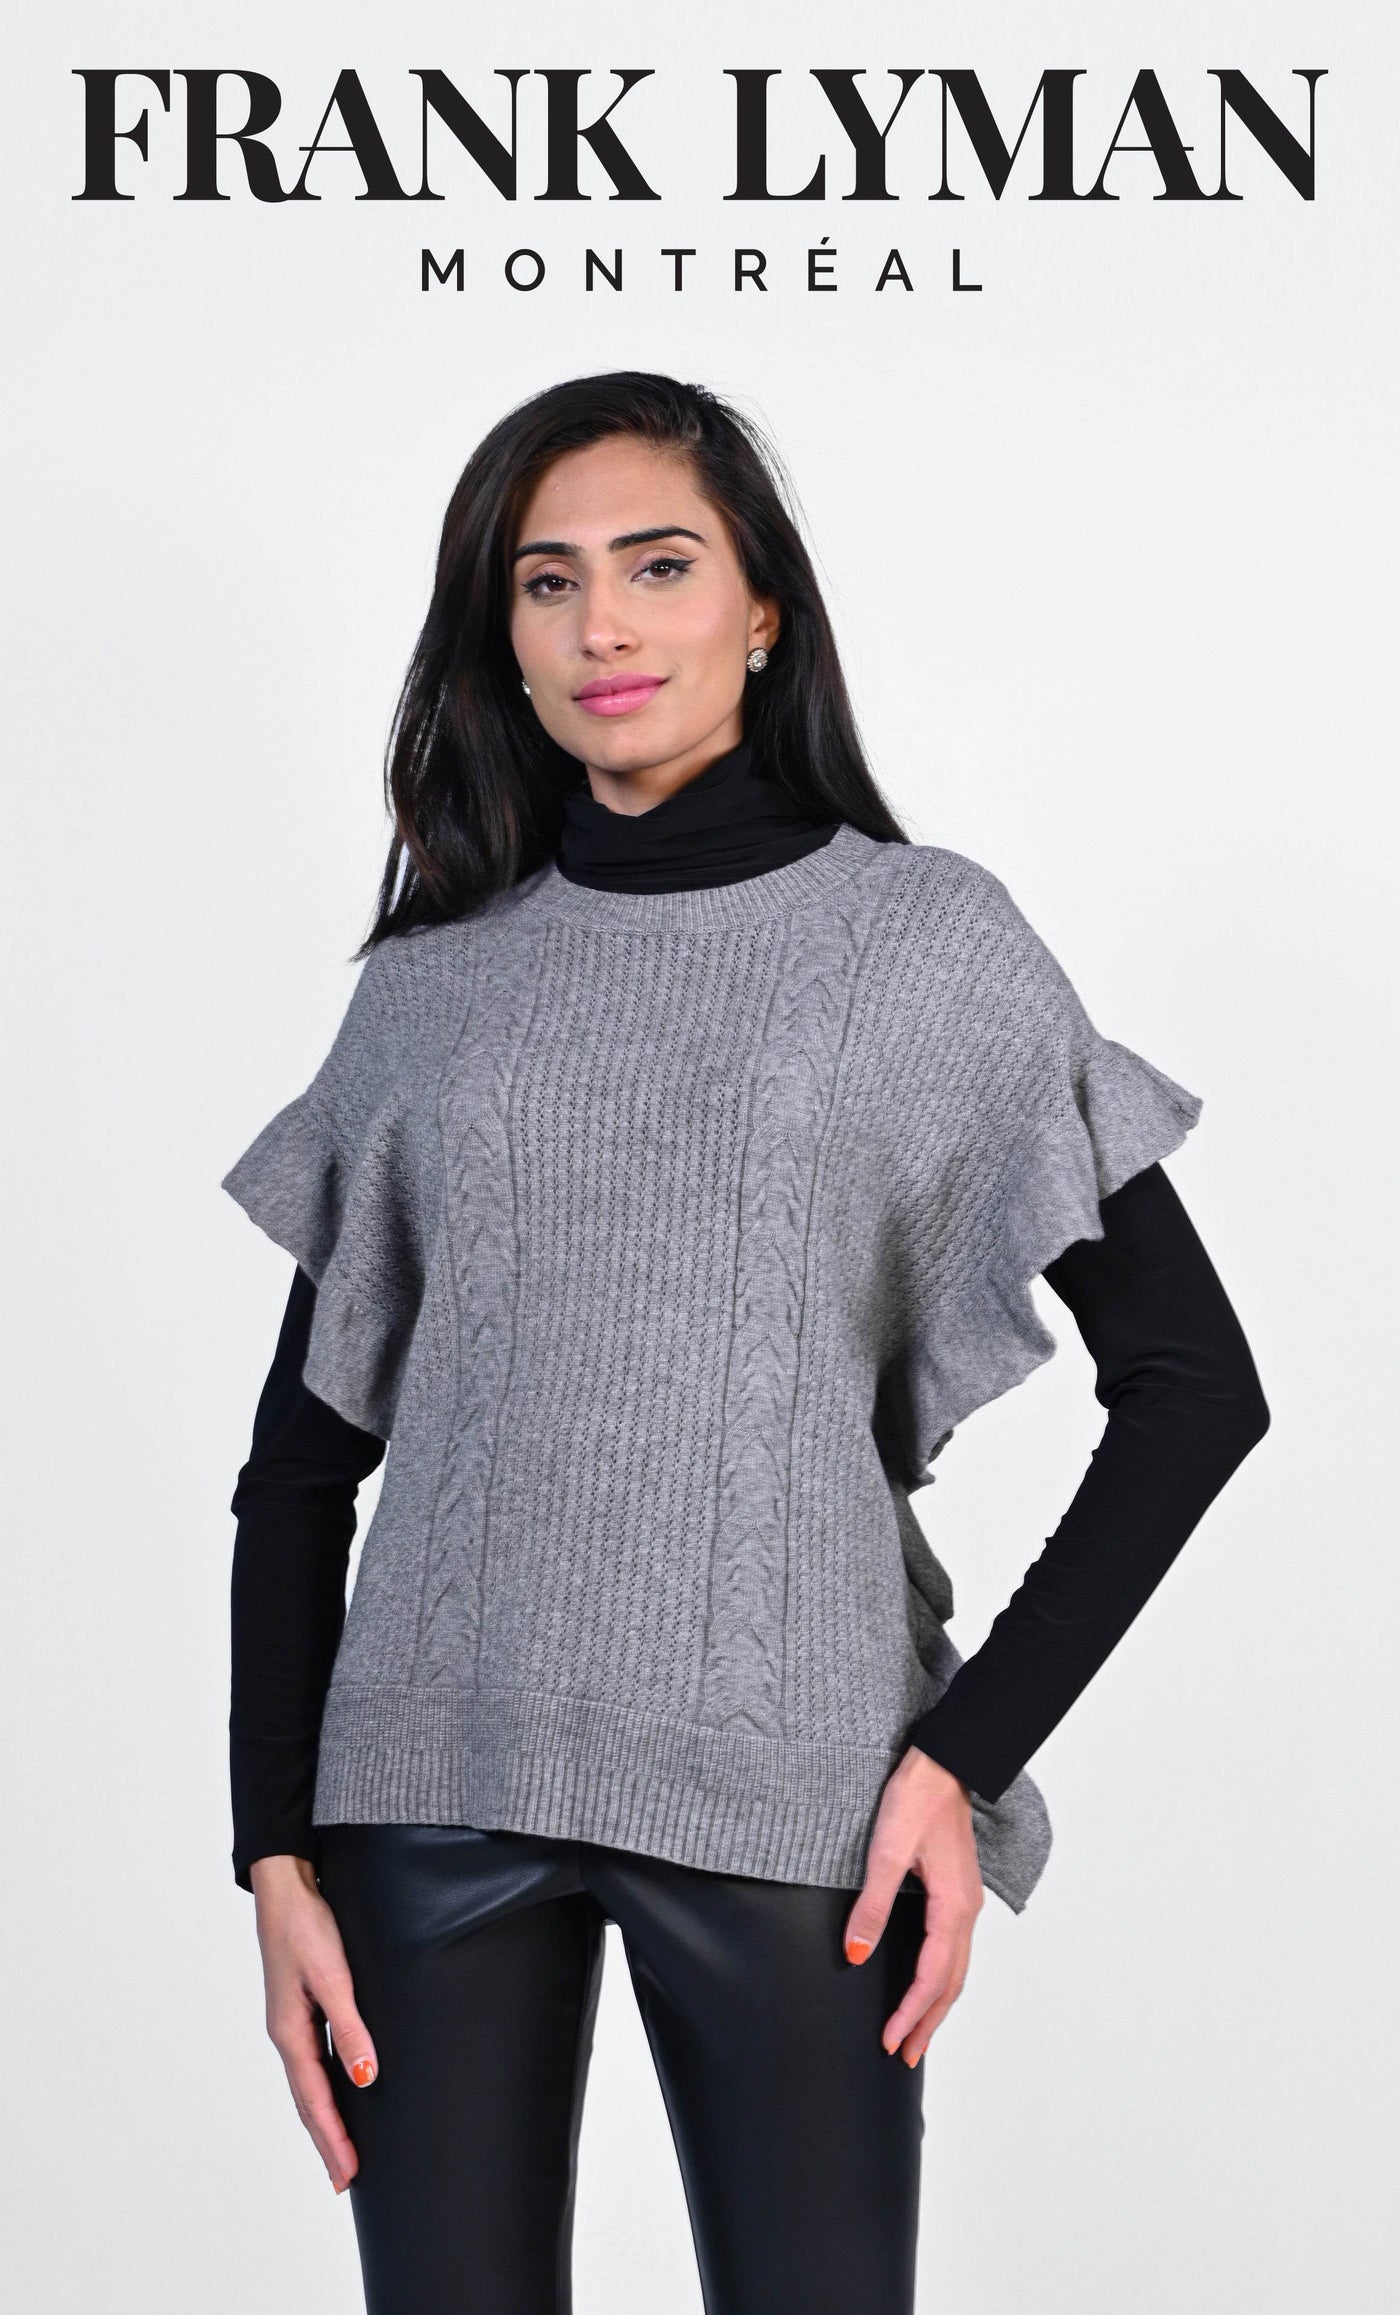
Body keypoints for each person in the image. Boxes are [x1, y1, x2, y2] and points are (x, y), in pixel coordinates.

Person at [222, 371, 1269, 2315]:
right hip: (420, 1790)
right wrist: (270, 1854)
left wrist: (959, 1759)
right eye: (546, 583)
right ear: (502, 638)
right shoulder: (432, 987)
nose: (601, 626)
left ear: (762, 607)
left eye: (658, 566)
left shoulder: (928, 943)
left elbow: (1198, 1392)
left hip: (794, 1790)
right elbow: (299, 1465)